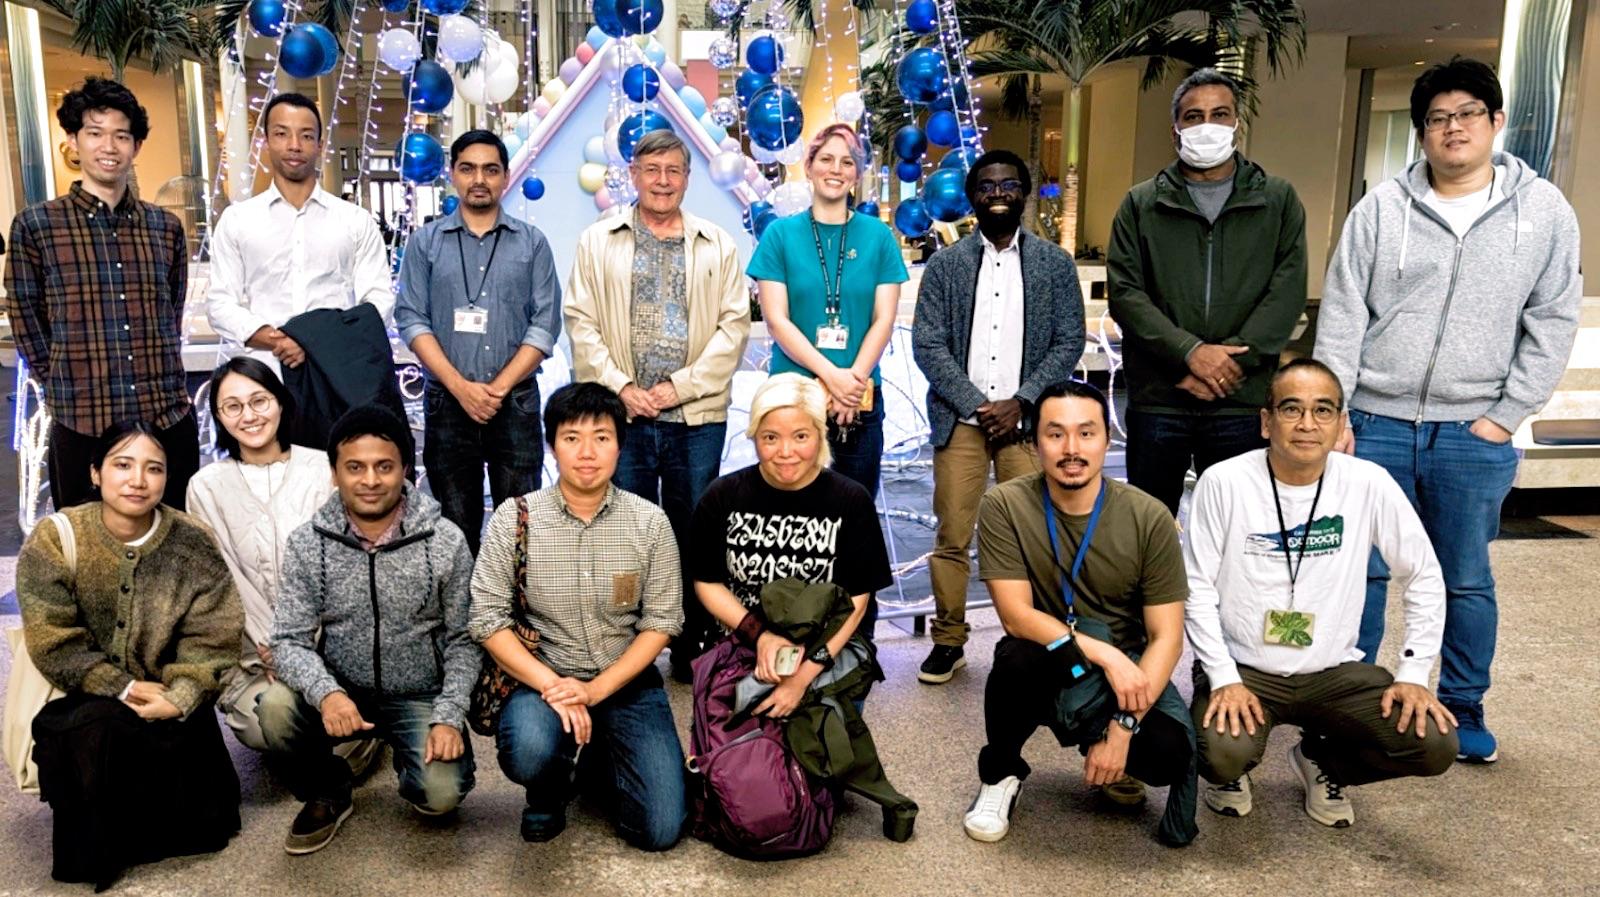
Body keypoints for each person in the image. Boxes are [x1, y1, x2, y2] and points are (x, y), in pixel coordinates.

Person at [1314, 57, 1583, 764]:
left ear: (1495, 122)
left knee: (1464, 576)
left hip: (1473, 429)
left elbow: (1553, 319)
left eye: (1466, 114)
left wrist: (1507, 413)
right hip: (1374, 422)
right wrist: (1337, 411)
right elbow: (1343, 311)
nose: (1452, 128)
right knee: (1364, 570)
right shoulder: (1382, 208)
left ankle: (1462, 704)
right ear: (1422, 132)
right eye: (1437, 118)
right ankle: (1352, 698)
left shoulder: (1544, 211)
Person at [1185, 359, 1457, 829]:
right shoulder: (1224, 481)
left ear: (1340, 423)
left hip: (1334, 671)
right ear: (1266, 421)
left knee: (1433, 743)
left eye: (1323, 410)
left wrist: (1414, 671)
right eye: (1291, 409)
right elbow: (1195, 587)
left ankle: (1323, 763)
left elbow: (1424, 575)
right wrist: (1223, 676)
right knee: (1221, 753)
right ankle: (1235, 771)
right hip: (1246, 668)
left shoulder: (1368, 482)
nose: (1307, 424)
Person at [962, 381, 1196, 847]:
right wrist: (1104, 654)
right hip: (1050, 659)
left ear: (1107, 439)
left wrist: (1123, 729)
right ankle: (1001, 774)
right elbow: (1015, 616)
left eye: (1086, 433)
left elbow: (1167, 637)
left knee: (1169, 753)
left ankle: (1108, 752)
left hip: (1118, 677)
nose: (1072, 448)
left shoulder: (1148, 516)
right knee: (1015, 657)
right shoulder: (1005, 505)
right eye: (1055, 434)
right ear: (1034, 443)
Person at [16, 421, 243, 888]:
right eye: (122, 465)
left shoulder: (192, 541)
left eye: (153, 468)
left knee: (208, 827)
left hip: (167, 689)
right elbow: (52, 638)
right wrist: (120, 687)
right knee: (97, 734)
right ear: (95, 472)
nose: (138, 480)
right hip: (82, 694)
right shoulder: (55, 538)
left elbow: (214, 634)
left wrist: (181, 695)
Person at [565, 128, 751, 678]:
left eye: (673, 171)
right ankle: (630, 649)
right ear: (633, 175)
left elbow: (734, 328)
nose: (662, 181)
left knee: (694, 529)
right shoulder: (598, 241)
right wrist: (622, 389)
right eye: (652, 170)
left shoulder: (717, 244)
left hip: (695, 416)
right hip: (623, 417)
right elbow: (581, 322)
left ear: (688, 179)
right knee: (626, 532)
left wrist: (680, 387)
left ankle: (692, 643)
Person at [471, 382, 686, 849]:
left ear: (620, 445)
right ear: (552, 445)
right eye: (571, 438)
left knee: (660, 829)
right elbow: (487, 619)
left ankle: (596, 759)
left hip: (625, 680)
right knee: (530, 749)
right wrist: (557, 687)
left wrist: (594, 691)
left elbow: (663, 622)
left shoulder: (650, 522)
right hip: (542, 681)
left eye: (601, 437)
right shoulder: (515, 518)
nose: (587, 452)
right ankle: (547, 789)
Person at [258, 405, 478, 855]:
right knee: (275, 708)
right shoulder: (307, 543)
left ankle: (407, 756)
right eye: (355, 467)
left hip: (419, 692)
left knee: (440, 795)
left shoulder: (446, 540)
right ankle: (328, 789)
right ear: (335, 473)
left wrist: (449, 715)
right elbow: (287, 639)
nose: (371, 480)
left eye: (384, 466)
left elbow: (465, 638)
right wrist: (326, 693)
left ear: (405, 470)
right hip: (341, 688)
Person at [911, 148, 1086, 684]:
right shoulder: (946, 265)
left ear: (1024, 193)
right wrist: (975, 404)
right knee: (952, 536)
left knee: (1034, 536)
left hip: (1027, 424)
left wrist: (1022, 401)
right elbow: (928, 343)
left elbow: (1069, 340)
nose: (998, 195)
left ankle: (1034, 640)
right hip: (962, 422)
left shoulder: (1054, 265)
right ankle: (949, 640)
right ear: (972, 198)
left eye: (1009, 185)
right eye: (986, 187)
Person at [1107, 67, 1309, 516]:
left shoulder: (1277, 201)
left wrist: (1227, 366)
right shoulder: (1141, 203)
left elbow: (1286, 293)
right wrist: (1189, 354)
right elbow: (1126, 294)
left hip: (1241, 402)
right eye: (1193, 116)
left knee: (1240, 528)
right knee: (1148, 528)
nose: (1207, 126)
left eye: (1220, 114)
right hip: (1161, 400)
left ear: (1237, 123)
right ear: (1175, 129)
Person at [5, 77, 200, 511]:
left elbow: (171, 311)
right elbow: (26, 318)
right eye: (95, 133)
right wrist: (61, 384)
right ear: (74, 141)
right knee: (84, 544)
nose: (108, 146)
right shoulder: (37, 226)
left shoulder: (164, 228)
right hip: (83, 421)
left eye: (121, 135)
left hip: (164, 414)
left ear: (136, 146)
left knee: (175, 538)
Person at [185, 357, 378, 773]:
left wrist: (301, 650)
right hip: (256, 654)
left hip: (333, 645)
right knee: (266, 723)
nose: (249, 415)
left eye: (259, 400)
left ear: (281, 402)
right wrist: (275, 648)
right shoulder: (206, 487)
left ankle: (346, 732)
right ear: (218, 416)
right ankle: (317, 738)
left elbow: (346, 567)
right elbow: (223, 579)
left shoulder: (324, 469)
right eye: (232, 406)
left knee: (341, 733)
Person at [396, 130, 561, 555]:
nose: (479, 180)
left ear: (506, 176)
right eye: (468, 169)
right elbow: (411, 318)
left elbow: (545, 325)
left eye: (491, 170)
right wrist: (461, 388)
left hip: (516, 403)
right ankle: (462, 602)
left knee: (520, 529)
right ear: (453, 174)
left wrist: (497, 389)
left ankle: (513, 601)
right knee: (455, 529)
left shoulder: (532, 243)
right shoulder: (425, 243)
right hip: (447, 403)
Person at [689, 373, 892, 716]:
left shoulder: (851, 501)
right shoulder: (722, 496)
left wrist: (803, 677)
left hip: (827, 652)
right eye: (770, 437)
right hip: (742, 646)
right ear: (754, 436)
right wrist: (761, 636)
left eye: (800, 436)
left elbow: (857, 602)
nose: (785, 452)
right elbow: (707, 582)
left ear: (819, 435)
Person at [748, 124, 910, 499]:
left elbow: (884, 319)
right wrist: (831, 377)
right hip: (792, 396)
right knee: (792, 511)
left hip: (858, 396)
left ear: (857, 174)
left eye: (847, 162)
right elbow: (776, 321)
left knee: (854, 509)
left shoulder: (879, 237)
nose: (836, 169)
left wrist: (851, 384)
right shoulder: (779, 235)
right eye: (826, 159)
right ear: (808, 166)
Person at [206, 92, 393, 375]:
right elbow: (219, 303)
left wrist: (317, 341)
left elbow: (379, 302)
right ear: (265, 141)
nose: (294, 145)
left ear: (320, 145)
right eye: (281, 134)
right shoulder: (238, 220)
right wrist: (279, 341)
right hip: (266, 375)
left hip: (338, 374)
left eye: (306, 136)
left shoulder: (355, 221)